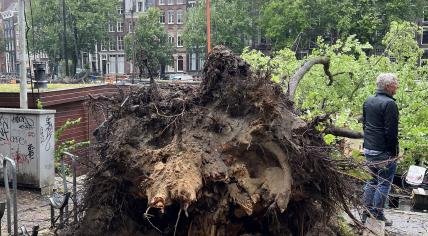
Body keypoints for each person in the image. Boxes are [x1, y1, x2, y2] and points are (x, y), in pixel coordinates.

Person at [361, 73, 399, 226]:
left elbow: (365, 125)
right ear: (388, 86)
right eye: (396, 83)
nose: (397, 86)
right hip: (383, 152)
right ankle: (376, 215)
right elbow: (391, 132)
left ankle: (366, 213)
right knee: (383, 183)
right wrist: (394, 153)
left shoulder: (368, 101)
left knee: (372, 181)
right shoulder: (390, 104)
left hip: (369, 149)